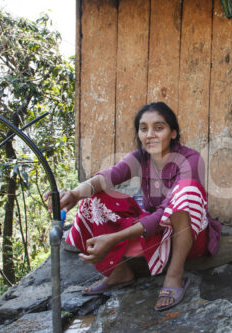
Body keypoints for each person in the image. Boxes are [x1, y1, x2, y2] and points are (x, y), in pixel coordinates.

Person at [45, 102, 221, 311]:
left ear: (173, 133)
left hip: (188, 235)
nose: (150, 135)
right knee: (95, 197)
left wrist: (113, 239)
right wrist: (74, 193)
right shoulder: (140, 158)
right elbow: (108, 176)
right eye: (143, 128)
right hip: (155, 231)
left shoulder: (190, 160)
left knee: (187, 191)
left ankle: (175, 275)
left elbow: (166, 212)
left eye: (158, 128)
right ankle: (118, 273)